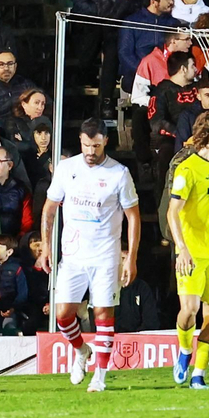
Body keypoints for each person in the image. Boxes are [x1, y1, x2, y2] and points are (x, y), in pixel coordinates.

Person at [41, 119, 140, 393]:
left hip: (106, 256)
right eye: (86, 145)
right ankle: (82, 350)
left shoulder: (119, 173)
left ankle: (101, 376)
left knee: (103, 314)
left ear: (105, 142)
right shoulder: (67, 168)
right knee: (63, 316)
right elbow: (50, 209)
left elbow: (134, 217)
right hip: (72, 254)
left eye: (96, 145)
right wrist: (47, 247)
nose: (90, 151)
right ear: (80, 142)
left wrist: (130, 257)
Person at [167, 111, 209, 389]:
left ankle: (199, 374)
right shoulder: (187, 169)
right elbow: (173, 213)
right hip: (193, 252)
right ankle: (184, 351)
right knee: (190, 310)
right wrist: (181, 249)